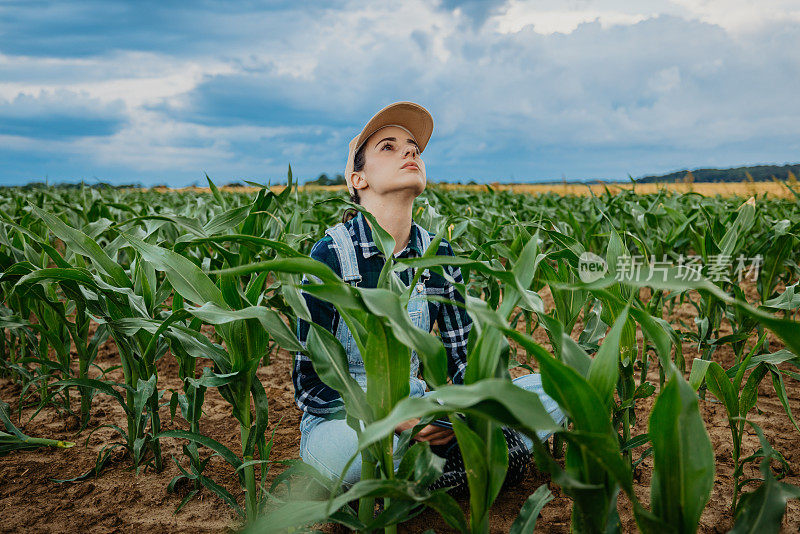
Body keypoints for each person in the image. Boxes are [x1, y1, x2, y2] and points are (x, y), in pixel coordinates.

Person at [292, 101, 566, 492]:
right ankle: (466, 459)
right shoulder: (332, 255)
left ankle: (431, 465)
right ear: (358, 179)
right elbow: (310, 387)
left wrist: (460, 413)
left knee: (556, 390)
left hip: (424, 409)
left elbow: (466, 361)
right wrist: (394, 419)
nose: (409, 151)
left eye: (414, 148)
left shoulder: (438, 254)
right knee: (353, 457)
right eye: (388, 146)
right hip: (347, 422)